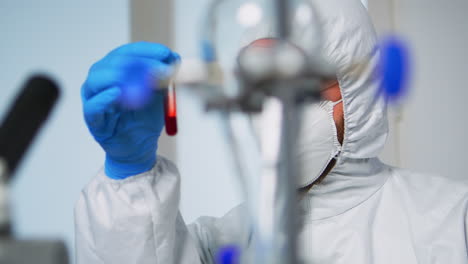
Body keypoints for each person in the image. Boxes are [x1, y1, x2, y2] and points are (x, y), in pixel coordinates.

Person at [75, 0, 468, 263]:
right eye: (262, 88)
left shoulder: (452, 219)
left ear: (360, 90)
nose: (276, 114)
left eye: (304, 86)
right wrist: (130, 177)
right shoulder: (224, 242)